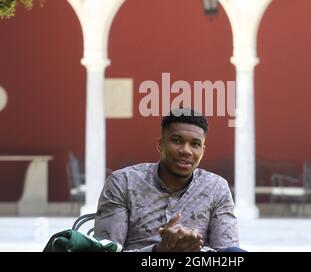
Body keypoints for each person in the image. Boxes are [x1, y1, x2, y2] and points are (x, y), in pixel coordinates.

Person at [94, 107, 245, 252]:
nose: (186, 150)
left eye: (195, 144)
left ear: (202, 151)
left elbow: (229, 252)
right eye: (177, 140)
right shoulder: (123, 182)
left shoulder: (216, 188)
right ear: (160, 144)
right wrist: (159, 251)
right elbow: (105, 251)